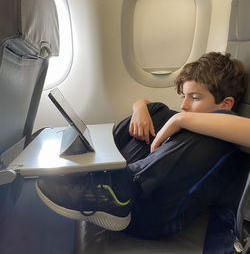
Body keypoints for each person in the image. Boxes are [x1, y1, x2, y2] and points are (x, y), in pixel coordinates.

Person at [36, 52, 248, 239]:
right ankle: (104, 174)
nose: (184, 105)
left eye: (194, 98)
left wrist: (179, 120)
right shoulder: (191, 116)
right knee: (158, 111)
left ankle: (118, 188)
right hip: (134, 200)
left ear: (226, 103)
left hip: (155, 217)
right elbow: (151, 107)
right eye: (184, 96)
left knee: (207, 131)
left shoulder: (229, 140)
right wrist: (141, 107)